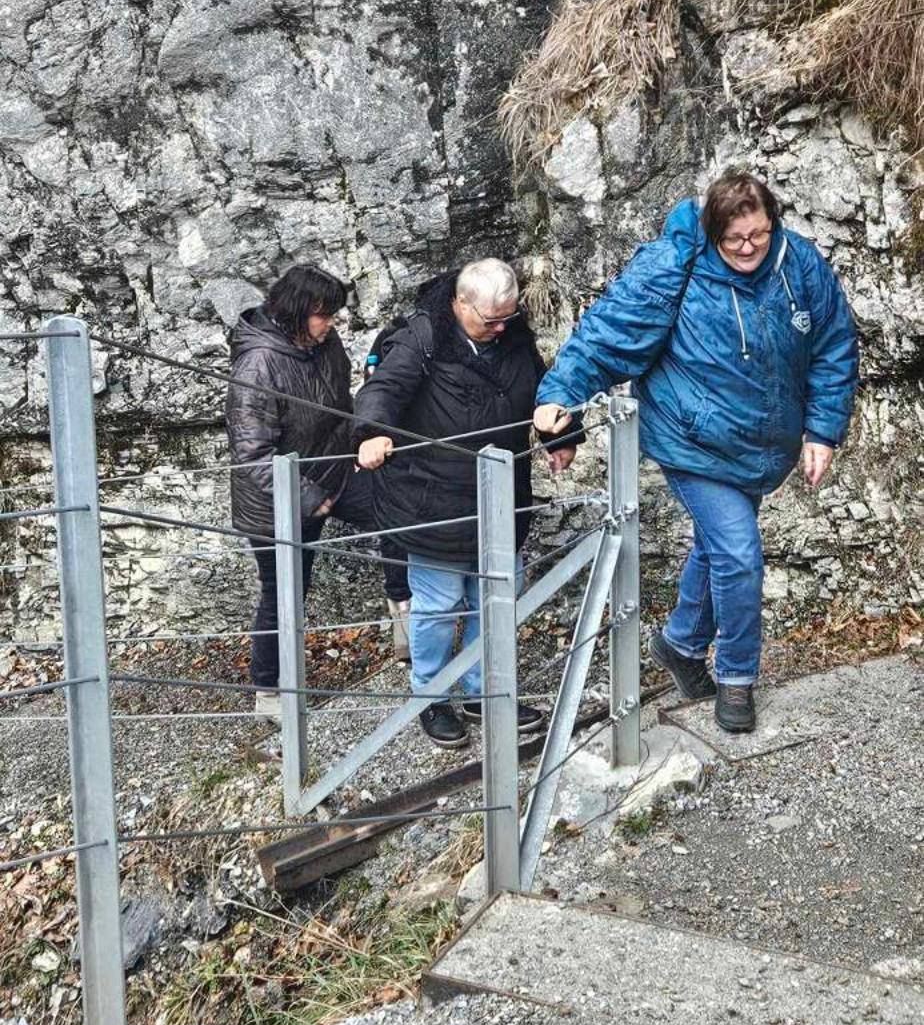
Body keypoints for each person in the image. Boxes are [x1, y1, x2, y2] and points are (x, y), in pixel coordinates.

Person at [533, 170, 858, 734]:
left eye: (759, 233)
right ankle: (736, 678)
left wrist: (822, 432)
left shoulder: (798, 265)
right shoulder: (674, 266)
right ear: (712, 231)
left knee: (718, 551)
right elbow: (609, 334)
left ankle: (680, 644)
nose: (749, 247)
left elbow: (833, 346)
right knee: (738, 552)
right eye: (735, 239)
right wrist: (561, 396)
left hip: (764, 445)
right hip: (693, 442)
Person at [354, 258, 581, 748]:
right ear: (460, 304)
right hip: (433, 502)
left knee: (494, 601)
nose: (501, 328)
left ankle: (484, 693)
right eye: (490, 320)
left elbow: (542, 391)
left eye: (508, 317)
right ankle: (431, 698)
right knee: (437, 606)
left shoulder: (513, 336)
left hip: (501, 497)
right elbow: (383, 390)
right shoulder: (421, 339)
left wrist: (561, 435)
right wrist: (371, 433)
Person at [227, 263, 412, 722]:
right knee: (285, 592)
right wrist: (311, 500)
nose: (331, 323)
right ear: (296, 312)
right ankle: (270, 692)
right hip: (277, 499)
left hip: (336, 469)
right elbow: (252, 456)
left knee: (400, 513)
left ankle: (404, 619)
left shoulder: (323, 343)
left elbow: (340, 406)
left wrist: (358, 445)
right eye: (323, 314)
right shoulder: (257, 364)